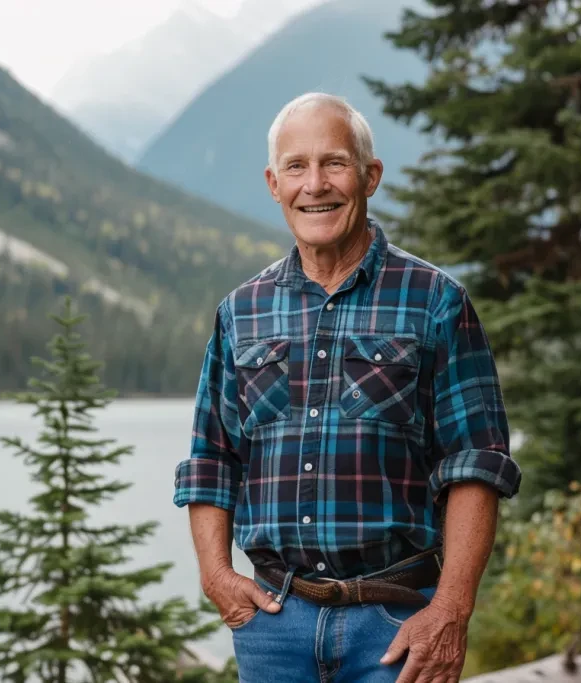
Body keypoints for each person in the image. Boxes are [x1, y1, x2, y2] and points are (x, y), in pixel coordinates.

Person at [172, 92, 521, 683]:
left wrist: (451, 612)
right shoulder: (241, 312)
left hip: (396, 626)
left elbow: (476, 465)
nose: (316, 184)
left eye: (334, 163)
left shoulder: (435, 301)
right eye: (296, 167)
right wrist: (216, 576)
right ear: (273, 183)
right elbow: (212, 460)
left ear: (370, 176)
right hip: (273, 626)